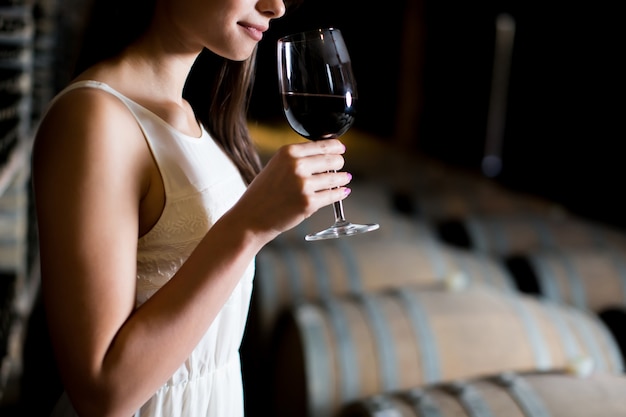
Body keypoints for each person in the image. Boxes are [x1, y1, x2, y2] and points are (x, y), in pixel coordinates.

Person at [30, 0, 353, 415]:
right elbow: (101, 396)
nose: (276, 7)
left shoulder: (187, 113)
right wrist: (250, 226)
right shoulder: (93, 119)